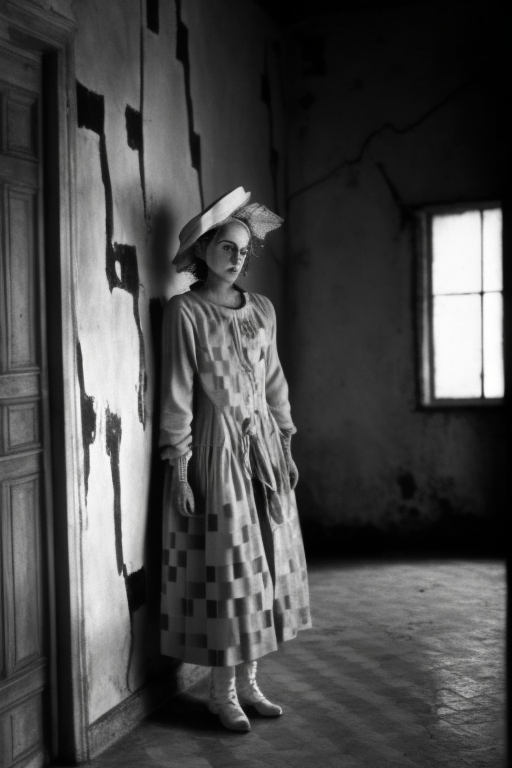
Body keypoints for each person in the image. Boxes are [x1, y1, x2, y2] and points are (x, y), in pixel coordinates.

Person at [160, 187, 311, 733]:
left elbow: (274, 383)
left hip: (262, 449)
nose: (237, 256)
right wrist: (180, 466)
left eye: (244, 249)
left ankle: (249, 684)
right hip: (218, 451)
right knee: (227, 572)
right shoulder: (186, 312)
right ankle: (221, 692)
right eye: (226, 246)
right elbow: (177, 394)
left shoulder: (262, 310)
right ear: (203, 250)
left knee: (262, 569)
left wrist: (286, 443)